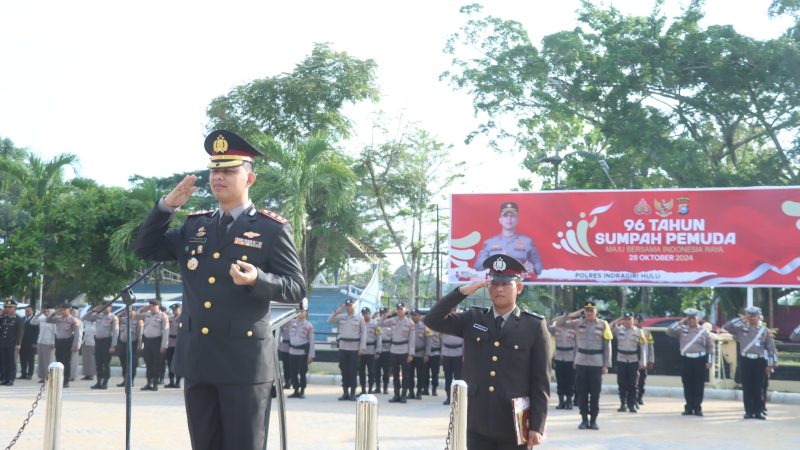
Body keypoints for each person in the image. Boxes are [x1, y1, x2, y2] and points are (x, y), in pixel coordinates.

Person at [133, 129, 306, 450]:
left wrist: (259, 279)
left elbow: (296, 289)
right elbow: (145, 248)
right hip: (198, 358)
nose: (219, 177)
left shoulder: (271, 228)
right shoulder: (194, 225)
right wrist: (166, 207)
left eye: (229, 170)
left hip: (244, 363)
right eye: (215, 170)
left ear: (249, 178)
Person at [425, 254, 550, 449]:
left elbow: (541, 380)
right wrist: (463, 291)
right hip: (477, 422)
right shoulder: (473, 318)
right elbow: (433, 319)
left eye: (506, 284)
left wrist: (537, 426)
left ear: (519, 287)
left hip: (515, 423)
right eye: (494, 283)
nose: (499, 289)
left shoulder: (533, 325)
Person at [557, 301, 612, 430]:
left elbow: (607, 346)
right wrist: (573, 314)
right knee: (582, 392)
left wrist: (606, 364)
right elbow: (559, 324)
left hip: (596, 362)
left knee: (594, 393)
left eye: (591, 310)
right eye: (586, 310)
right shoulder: (578, 323)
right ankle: (583, 420)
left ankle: (593, 420)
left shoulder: (603, 325)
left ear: (596, 311)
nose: (589, 313)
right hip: (581, 361)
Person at [722, 306, 777, 420]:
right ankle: (748, 411)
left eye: (754, 315)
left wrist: (770, 365)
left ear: (759, 317)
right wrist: (742, 319)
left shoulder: (764, 330)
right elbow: (726, 327)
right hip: (746, 360)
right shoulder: (741, 329)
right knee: (747, 387)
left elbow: (771, 348)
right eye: (750, 315)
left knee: (758, 387)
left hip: (759, 360)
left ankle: (758, 411)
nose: (752, 318)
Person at [473, 202, 543, 278]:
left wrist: (534, 268)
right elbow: (477, 266)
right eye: (505, 216)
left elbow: (539, 266)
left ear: (517, 220)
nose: (509, 218)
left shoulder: (527, 242)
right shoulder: (490, 242)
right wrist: (494, 261)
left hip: (520, 282)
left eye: (512, 216)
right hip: (496, 282)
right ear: (500, 220)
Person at [665, 308, 713, 416]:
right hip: (686, 359)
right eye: (689, 318)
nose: (691, 320)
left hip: (699, 360)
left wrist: (709, 361)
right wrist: (681, 321)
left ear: (698, 319)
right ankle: (688, 407)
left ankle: (697, 407)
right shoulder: (682, 329)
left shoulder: (703, 331)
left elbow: (710, 347)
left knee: (699, 384)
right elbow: (669, 331)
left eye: (693, 318)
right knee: (687, 384)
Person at [327, 298, 364, 401]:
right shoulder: (341, 317)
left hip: (354, 348)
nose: (348, 308)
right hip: (343, 348)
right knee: (344, 371)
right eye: (347, 306)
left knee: (353, 371)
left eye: (350, 305)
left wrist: (362, 348)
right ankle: (345, 392)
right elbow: (329, 321)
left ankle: (352, 393)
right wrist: (336, 312)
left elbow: (363, 334)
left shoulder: (359, 318)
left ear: (354, 306)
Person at [610, 312, 647, 413]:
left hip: (633, 359)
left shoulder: (639, 332)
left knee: (633, 383)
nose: (627, 321)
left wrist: (642, 362)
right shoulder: (618, 329)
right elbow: (608, 328)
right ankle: (622, 403)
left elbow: (643, 348)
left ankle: (632, 404)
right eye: (625, 319)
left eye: (629, 319)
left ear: (633, 320)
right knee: (621, 382)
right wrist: (619, 319)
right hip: (621, 359)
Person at [379, 302, 415, 403]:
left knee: (405, 374)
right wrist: (384, 316)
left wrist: (411, 354)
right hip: (394, 349)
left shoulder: (410, 323)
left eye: (401, 309)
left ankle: (403, 395)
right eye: (398, 309)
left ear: (405, 310)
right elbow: (380, 324)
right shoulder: (393, 320)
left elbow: (412, 340)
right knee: (395, 374)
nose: (399, 310)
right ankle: (396, 394)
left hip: (404, 350)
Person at [85, 304, 119, 390]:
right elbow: (85, 318)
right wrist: (93, 310)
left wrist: (113, 345)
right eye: (104, 307)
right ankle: (99, 381)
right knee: (98, 363)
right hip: (98, 342)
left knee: (106, 364)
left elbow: (116, 333)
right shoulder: (98, 316)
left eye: (107, 307)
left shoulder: (113, 318)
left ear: (110, 308)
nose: (105, 309)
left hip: (107, 342)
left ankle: (105, 382)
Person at [47, 303, 81, 388]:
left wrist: (75, 345)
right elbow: (48, 320)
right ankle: (59, 380)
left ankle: (66, 381)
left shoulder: (73, 320)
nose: (63, 311)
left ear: (70, 310)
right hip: (58, 342)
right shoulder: (59, 319)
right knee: (58, 361)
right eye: (62, 309)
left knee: (66, 362)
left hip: (67, 342)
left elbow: (77, 334)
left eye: (65, 309)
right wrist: (55, 313)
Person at [140, 299, 169, 391]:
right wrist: (143, 309)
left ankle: (155, 384)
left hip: (157, 342)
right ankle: (149, 383)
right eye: (150, 305)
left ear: (158, 306)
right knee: (148, 363)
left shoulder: (163, 316)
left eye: (153, 305)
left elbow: (166, 331)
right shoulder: (147, 314)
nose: (151, 307)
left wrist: (164, 345)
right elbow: (135, 316)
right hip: (147, 341)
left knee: (157, 363)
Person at [548, 313, 576, 410]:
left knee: (570, 380)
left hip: (570, 357)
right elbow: (548, 324)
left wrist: (576, 359)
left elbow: (577, 345)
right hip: (559, 356)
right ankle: (561, 402)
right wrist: (563, 316)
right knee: (560, 380)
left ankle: (569, 401)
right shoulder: (556, 328)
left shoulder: (573, 329)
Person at [287, 310, 314, 399]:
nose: (300, 313)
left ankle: (302, 390)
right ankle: (295, 390)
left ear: (306, 313)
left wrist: (311, 355)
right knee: (293, 372)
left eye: (302, 311)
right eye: (299, 311)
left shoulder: (309, 325)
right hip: (292, 351)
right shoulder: (291, 323)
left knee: (302, 372)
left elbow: (311, 341)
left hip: (303, 353)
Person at [440, 313, 464, 406]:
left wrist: (464, 354)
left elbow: (465, 341)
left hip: (458, 353)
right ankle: (448, 397)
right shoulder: (444, 325)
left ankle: (457, 397)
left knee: (458, 377)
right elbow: (440, 340)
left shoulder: (461, 325)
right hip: (447, 353)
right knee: (447, 377)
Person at [0, 299, 24, 386]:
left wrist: (18, 343)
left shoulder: (18, 319)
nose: (7, 309)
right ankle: (4, 378)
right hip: (3, 343)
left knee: (11, 362)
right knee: (3, 361)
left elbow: (20, 332)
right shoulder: (4, 318)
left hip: (12, 344)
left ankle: (10, 379)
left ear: (14, 308)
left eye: (10, 307)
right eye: (6, 307)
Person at [358, 306, 381, 395]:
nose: (364, 315)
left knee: (371, 371)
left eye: (366, 313)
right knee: (361, 371)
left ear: (370, 314)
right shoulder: (360, 323)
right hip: (361, 351)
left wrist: (378, 351)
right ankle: (363, 389)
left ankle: (370, 389)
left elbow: (379, 337)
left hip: (371, 350)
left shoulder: (375, 324)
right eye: (363, 314)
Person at [634, 314, 654, 406]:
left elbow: (651, 348)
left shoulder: (647, 332)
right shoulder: (632, 331)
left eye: (640, 321)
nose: (640, 323)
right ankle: (631, 398)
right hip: (632, 361)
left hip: (644, 361)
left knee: (642, 380)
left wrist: (651, 360)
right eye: (637, 321)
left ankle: (639, 398)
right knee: (632, 381)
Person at [32, 307, 56, 383]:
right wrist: (39, 314)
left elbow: (55, 332)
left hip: (49, 342)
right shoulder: (41, 318)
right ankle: (42, 377)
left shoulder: (54, 320)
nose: (47, 312)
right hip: (40, 341)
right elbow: (32, 322)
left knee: (48, 361)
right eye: (45, 311)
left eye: (48, 311)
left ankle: (49, 377)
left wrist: (53, 343)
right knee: (41, 360)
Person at [410, 308, 429, 399]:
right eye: (412, 315)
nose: (414, 317)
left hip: (420, 353)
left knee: (420, 374)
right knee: (409, 374)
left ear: (419, 316)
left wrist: (427, 354)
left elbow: (428, 341)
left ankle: (419, 392)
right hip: (410, 354)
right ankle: (411, 392)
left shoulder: (424, 327)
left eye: (415, 315)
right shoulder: (409, 325)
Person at [373, 307, 392, 395]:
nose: (382, 314)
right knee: (377, 370)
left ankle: (385, 388)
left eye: (384, 312)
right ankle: (377, 387)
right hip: (377, 350)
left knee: (386, 370)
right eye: (381, 312)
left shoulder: (391, 323)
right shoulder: (376, 323)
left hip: (387, 350)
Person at [164, 303, 182, 388]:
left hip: (178, 345)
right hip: (170, 344)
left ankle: (178, 382)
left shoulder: (182, 318)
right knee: (170, 363)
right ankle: (171, 381)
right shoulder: (170, 318)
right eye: (173, 310)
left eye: (176, 309)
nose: (174, 311)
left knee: (178, 364)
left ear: (180, 309)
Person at [19, 305, 39, 380]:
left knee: (30, 359)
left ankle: (30, 374)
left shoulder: (35, 320)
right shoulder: (22, 319)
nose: (26, 312)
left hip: (31, 343)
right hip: (22, 342)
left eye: (28, 311)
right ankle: (23, 373)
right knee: (22, 358)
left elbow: (36, 332)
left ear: (32, 311)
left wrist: (35, 342)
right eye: (26, 311)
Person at [426, 326, 442, 397]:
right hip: (427, 354)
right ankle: (425, 388)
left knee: (435, 373)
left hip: (436, 353)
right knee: (425, 372)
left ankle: (434, 389)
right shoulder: (426, 328)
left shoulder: (439, 328)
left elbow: (442, 341)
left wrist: (442, 353)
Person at [278, 322, 291, 389]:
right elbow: (279, 335)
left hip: (293, 347)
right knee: (285, 365)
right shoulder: (283, 323)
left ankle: (293, 381)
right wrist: (279, 346)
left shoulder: (296, 322)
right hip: (284, 347)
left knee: (292, 366)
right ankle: (287, 382)